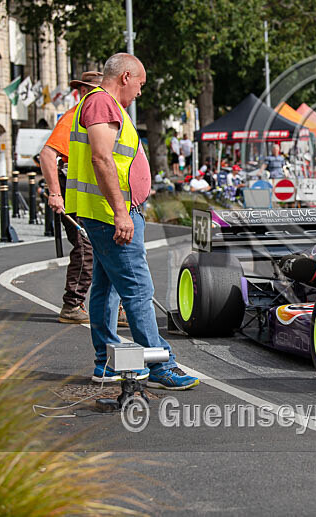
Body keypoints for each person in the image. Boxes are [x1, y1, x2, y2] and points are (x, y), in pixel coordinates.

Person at [65, 52, 198, 389]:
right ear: (125, 76)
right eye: (140, 83)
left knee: (106, 289)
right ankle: (160, 363)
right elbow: (101, 157)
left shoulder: (102, 105)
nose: (140, 92)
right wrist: (122, 212)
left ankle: (105, 362)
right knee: (138, 289)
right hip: (111, 216)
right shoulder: (102, 104)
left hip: (106, 214)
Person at [38, 71, 128, 327]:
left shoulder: (105, 113)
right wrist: (55, 192)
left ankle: (116, 307)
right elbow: (47, 155)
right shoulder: (74, 116)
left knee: (110, 247)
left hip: (98, 195)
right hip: (76, 194)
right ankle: (72, 303)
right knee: (86, 247)